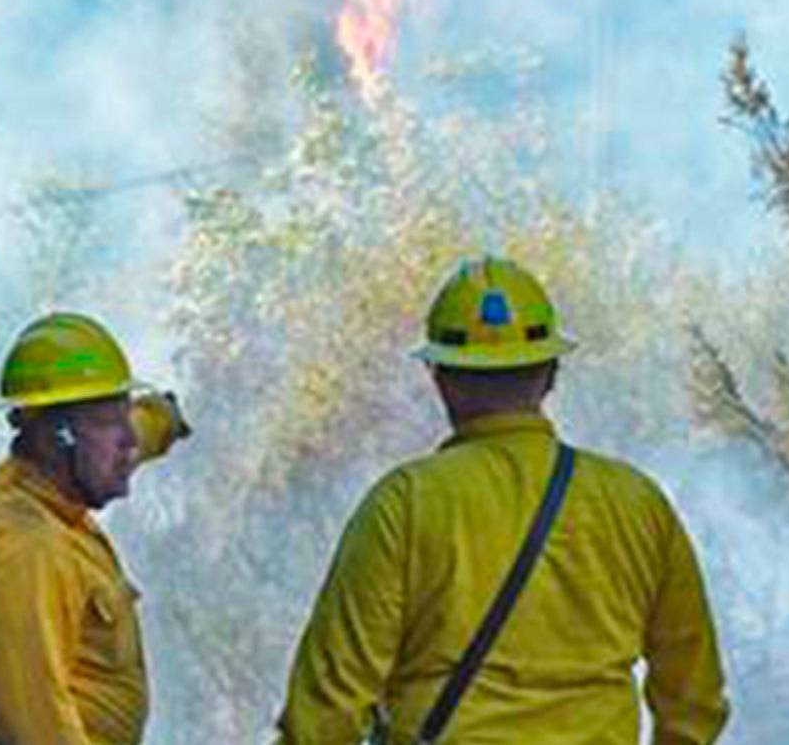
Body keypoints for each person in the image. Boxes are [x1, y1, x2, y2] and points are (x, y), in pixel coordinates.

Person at [275, 256, 729, 744]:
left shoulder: (403, 504)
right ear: (551, 373)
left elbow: (330, 705)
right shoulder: (636, 503)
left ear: (441, 378)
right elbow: (693, 695)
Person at [0, 311, 190, 744]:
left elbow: (121, 443)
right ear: (56, 436)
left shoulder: (13, 487)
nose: (129, 441)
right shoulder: (28, 551)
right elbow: (36, 730)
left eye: (126, 414)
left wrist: (162, 419)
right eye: (110, 422)